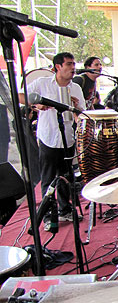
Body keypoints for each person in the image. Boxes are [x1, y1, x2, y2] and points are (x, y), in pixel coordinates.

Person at [19, 52, 86, 231]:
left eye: (74, 64)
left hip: (67, 138)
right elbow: (20, 96)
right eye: (69, 64)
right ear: (58, 66)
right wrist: (36, 105)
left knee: (66, 176)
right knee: (48, 178)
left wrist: (76, 108)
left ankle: (65, 209)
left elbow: (82, 114)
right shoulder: (42, 83)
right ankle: (48, 214)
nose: (73, 68)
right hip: (48, 136)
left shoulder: (75, 87)